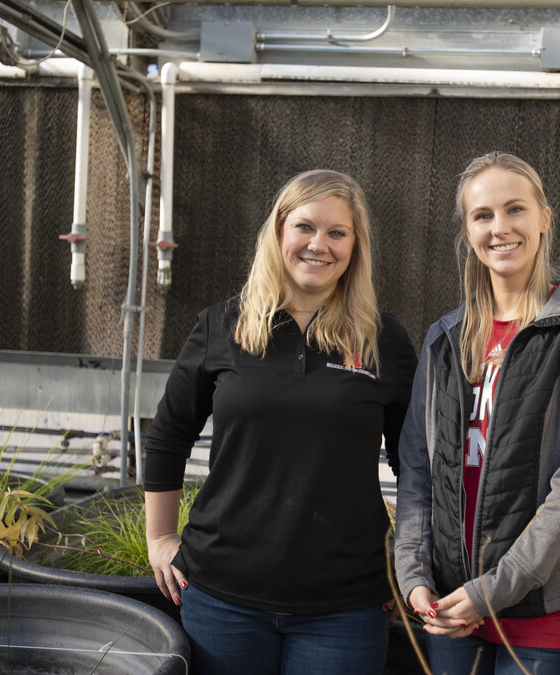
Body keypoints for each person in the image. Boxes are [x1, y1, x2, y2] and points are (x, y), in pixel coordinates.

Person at [144, 169, 417, 675]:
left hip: (345, 607)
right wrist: (159, 537)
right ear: (278, 233)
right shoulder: (223, 325)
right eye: (305, 227)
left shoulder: (386, 341)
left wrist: (415, 564)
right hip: (222, 598)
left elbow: (416, 464)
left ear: (356, 246)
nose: (319, 244)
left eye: (338, 232)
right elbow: (168, 435)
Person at [394, 152, 560, 675]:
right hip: (452, 607)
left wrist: (493, 590)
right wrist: (414, 578)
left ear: (544, 218)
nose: (500, 228)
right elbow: (417, 474)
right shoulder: (445, 339)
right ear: (467, 230)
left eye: (515, 209)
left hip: (545, 610)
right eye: (483, 215)